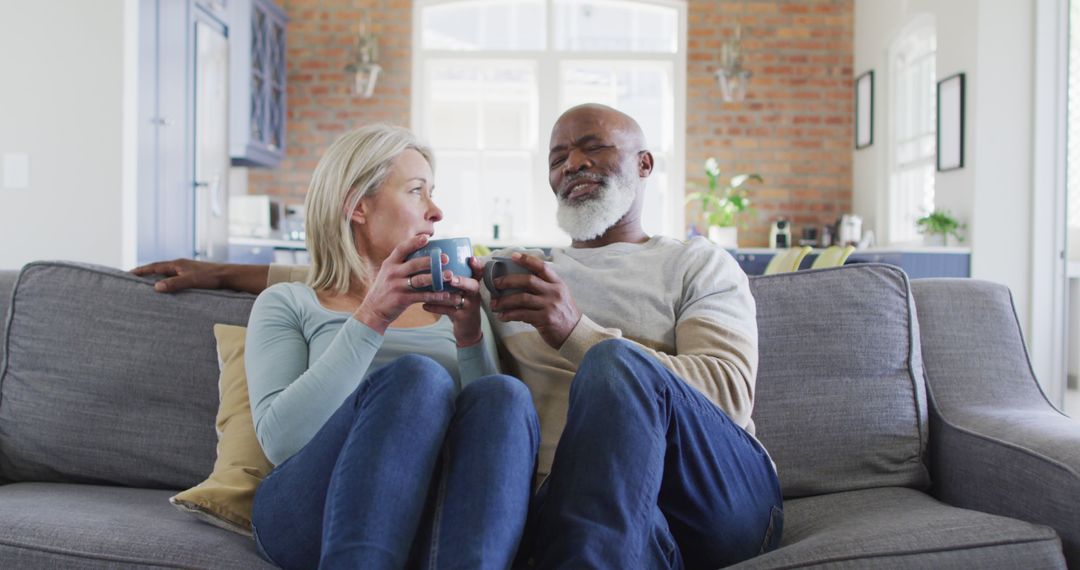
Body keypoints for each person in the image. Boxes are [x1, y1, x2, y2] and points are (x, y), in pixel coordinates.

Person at [134, 104, 781, 568]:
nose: (574, 163)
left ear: (643, 163)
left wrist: (572, 331)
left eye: (594, 147)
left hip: (711, 489)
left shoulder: (697, 262)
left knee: (595, 370)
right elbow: (348, 275)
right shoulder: (516, 271)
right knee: (462, 392)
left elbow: (726, 393)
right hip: (599, 516)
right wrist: (222, 271)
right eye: (558, 156)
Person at [137, 125, 539, 569]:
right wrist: (373, 317)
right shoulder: (289, 302)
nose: (436, 211)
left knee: (505, 393)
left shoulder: (455, 308)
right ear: (358, 206)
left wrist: (469, 335)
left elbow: (489, 441)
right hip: (309, 507)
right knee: (415, 377)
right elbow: (283, 442)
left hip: (432, 512)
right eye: (416, 191)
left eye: (433, 192)